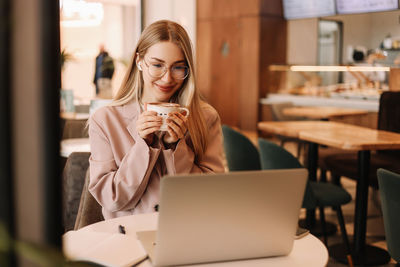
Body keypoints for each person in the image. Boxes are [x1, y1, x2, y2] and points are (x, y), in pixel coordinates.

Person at [88, 20, 225, 219]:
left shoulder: (206, 117)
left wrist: (176, 149)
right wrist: (142, 146)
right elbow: (112, 198)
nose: (167, 78)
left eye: (178, 68)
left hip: (188, 232)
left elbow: (213, 195)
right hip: (128, 238)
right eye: (157, 65)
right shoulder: (105, 120)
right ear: (139, 61)